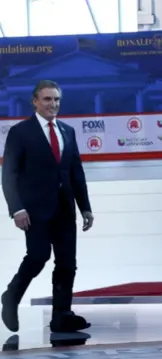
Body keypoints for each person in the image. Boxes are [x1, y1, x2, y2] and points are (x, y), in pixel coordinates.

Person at [1, 80, 94, 333]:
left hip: (65, 208)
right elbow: (9, 173)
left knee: (67, 262)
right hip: (34, 210)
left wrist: (85, 206)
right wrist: (16, 209)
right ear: (35, 101)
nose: (53, 104)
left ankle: (61, 315)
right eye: (47, 99)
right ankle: (10, 297)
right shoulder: (20, 132)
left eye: (56, 100)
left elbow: (75, 170)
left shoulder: (67, 131)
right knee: (38, 256)